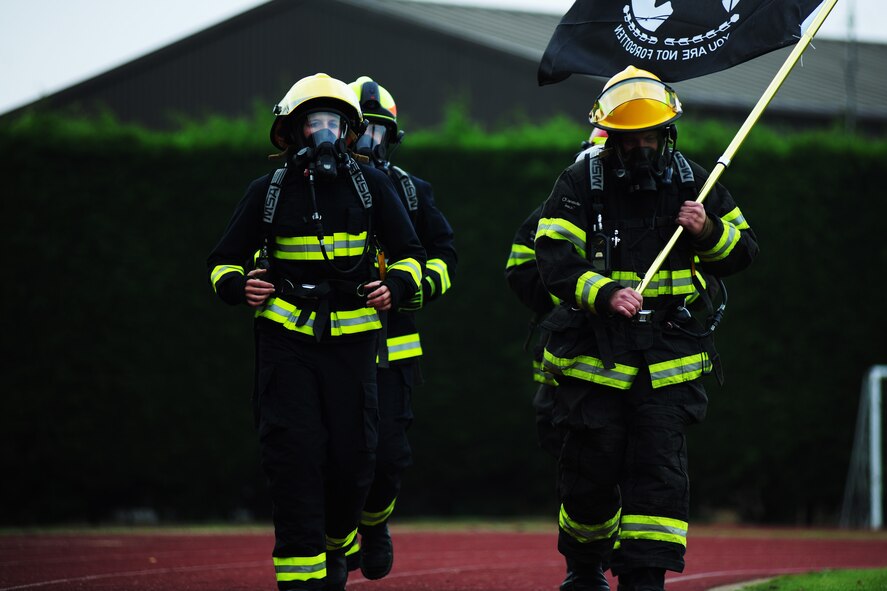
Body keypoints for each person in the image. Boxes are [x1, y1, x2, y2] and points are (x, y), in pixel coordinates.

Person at [534, 65, 758, 591]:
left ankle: (644, 579)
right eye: (629, 137)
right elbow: (552, 257)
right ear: (610, 135)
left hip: (666, 362)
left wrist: (708, 231)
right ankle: (584, 567)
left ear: (666, 133)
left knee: (659, 479)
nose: (640, 147)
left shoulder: (696, 184)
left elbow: (744, 251)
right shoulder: (578, 183)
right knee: (590, 476)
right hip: (596, 363)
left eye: (649, 135)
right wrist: (605, 293)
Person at [206, 72, 425, 591]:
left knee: (355, 460)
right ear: (293, 131)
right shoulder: (267, 192)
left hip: (352, 345)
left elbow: (413, 252)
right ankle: (304, 576)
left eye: (332, 122)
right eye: (313, 122)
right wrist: (240, 287)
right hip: (286, 346)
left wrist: (397, 281)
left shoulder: (372, 187)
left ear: (347, 131)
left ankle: (339, 540)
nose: (322, 132)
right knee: (294, 457)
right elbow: (220, 263)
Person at [344, 75, 458, 580]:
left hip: (392, 351)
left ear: (391, 138)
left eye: (378, 133)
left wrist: (412, 287)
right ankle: (338, 536)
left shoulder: (412, 191)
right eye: (359, 131)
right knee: (337, 451)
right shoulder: (309, 190)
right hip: (330, 345)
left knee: (387, 455)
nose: (367, 143)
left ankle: (374, 523)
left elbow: (444, 257)